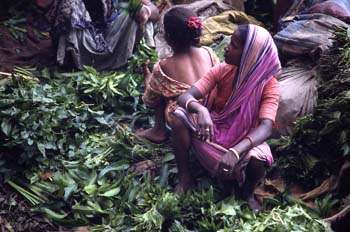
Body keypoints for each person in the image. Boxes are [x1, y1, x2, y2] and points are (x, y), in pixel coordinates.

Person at [172, 24, 281, 211]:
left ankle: (247, 194)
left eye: (234, 46)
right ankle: (185, 176)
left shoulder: (269, 86)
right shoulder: (223, 70)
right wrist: (201, 110)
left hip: (245, 139)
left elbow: (266, 127)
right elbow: (185, 97)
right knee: (179, 117)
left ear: (250, 56)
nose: (227, 48)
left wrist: (236, 152)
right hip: (214, 131)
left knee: (259, 159)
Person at [136, 7, 219, 143]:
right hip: (213, 111)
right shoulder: (209, 52)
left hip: (187, 117)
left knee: (160, 93)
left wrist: (148, 77)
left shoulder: (163, 66)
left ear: (167, 37)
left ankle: (158, 130)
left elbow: (150, 99)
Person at [34, 0, 159, 70]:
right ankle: (73, 63)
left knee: (137, 9)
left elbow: (154, 11)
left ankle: (143, 61)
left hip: (110, 40)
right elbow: (41, 4)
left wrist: (145, 11)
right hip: (78, 48)